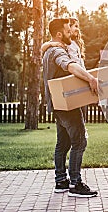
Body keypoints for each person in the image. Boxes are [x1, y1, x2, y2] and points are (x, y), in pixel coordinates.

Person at [42, 18, 98, 197]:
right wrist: (90, 78)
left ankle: (61, 181)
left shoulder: (48, 51)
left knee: (63, 143)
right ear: (59, 34)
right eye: (67, 31)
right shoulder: (57, 51)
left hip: (57, 104)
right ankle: (75, 184)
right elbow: (70, 66)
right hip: (67, 105)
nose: (70, 34)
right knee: (79, 141)